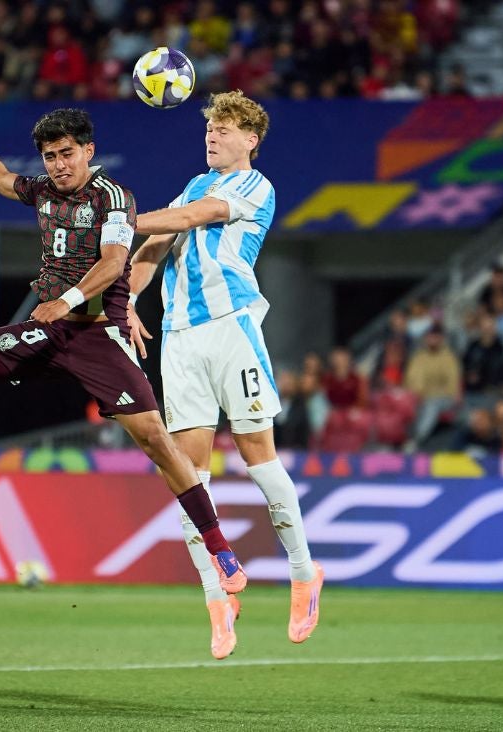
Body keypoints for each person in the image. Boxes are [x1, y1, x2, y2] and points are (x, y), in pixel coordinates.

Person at [0, 107, 247, 592]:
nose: (58, 165)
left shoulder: (114, 197)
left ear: (88, 151)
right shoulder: (44, 191)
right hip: (48, 332)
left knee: (156, 440)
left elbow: (114, 262)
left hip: (98, 336)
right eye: (50, 156)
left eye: (67, 154)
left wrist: (66, 300)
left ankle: (220, 549)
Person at [124, 90, 320, 660]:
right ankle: (217, 598)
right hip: (180, 338)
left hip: (232, 328)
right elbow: (157, 243)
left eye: (224, 129)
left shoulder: (255, 187)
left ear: (250, 140)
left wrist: (117, 221)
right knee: (189, 475)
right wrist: (127, 298)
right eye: (209, 128)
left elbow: (192, 218)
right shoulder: (194, 184)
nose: (211, 136)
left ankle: (304, 573)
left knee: (259, 457)